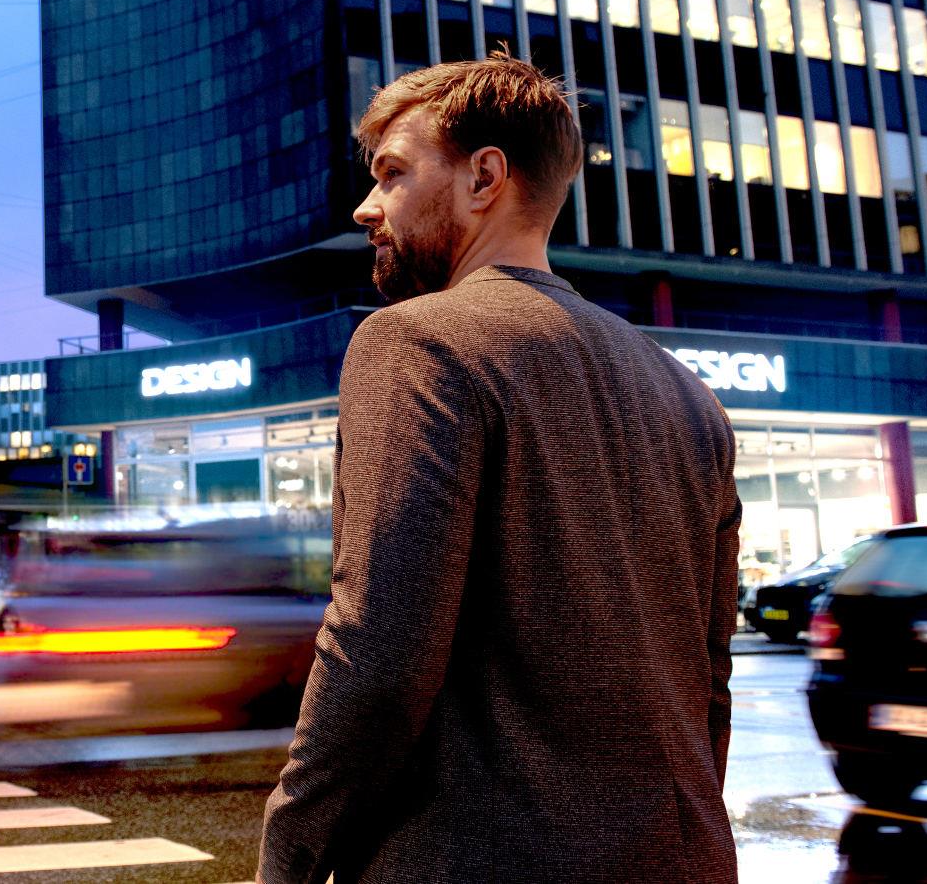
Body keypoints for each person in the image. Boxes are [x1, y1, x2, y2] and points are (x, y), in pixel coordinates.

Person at [259, 54, 741, 884]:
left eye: (393, 174)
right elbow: (709, 679)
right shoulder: (688, 395)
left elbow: (377, 652)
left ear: (485, 176)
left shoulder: (418, 341)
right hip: (682, 856)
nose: (366, 207)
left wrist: (289, 860)